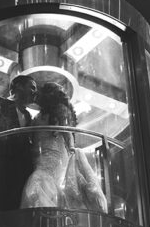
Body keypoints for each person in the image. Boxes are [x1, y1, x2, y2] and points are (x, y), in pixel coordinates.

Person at [20, 82, 109, 213]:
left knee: (41, 177)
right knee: (45, 177)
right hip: (43, 152)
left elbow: (66, 131)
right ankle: (48, 209)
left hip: (54, 151)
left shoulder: (59, 110)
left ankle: (42, 210)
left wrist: (71, 147)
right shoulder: (42, 114)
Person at [0, 74, 38, 216]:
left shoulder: (28, 115)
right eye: (32, 87)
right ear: (18, 86)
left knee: (14, 207)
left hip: (19, 169)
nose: (35, 92)